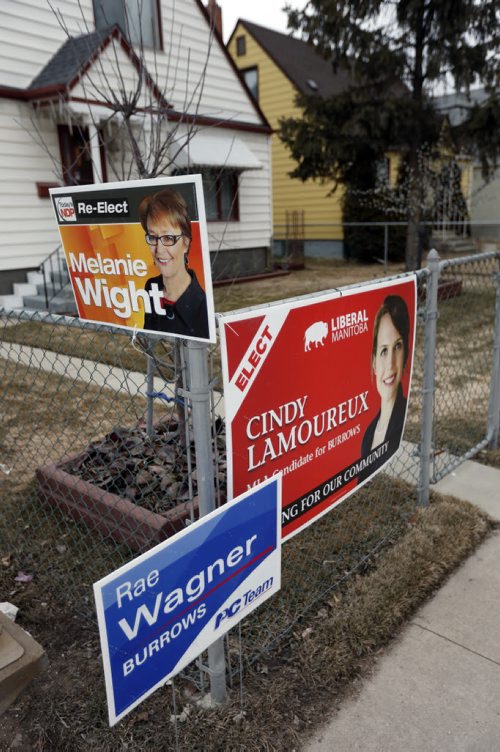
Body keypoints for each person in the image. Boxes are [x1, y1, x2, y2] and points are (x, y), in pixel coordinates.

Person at [139, 188, 209, 339]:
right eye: (153, 237)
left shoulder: (202, 306)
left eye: (168, 238)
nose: (159, 249)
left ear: (185, 243)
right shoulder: (151, 287)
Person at [359, 295, 410, 478]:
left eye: (397, 346)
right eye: (383, 351)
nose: (390, 364)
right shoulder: (368, 435)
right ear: (373, 362)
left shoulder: (403, 421)